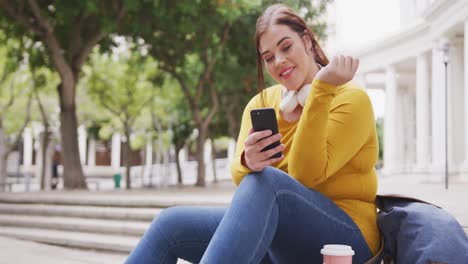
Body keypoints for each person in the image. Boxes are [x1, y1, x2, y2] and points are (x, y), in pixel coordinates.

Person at [126, 3, 380, 264]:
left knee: (269, 181)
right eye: (268, 57)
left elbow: (306, 174)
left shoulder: (350, 99)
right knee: (171, 225)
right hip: (280, 232)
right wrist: (248, 161)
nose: (279, 61)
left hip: (347, 239)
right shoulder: (261, 103)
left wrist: (321, 90)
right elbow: (239, 175)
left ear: (307, 41)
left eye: (286, 47)